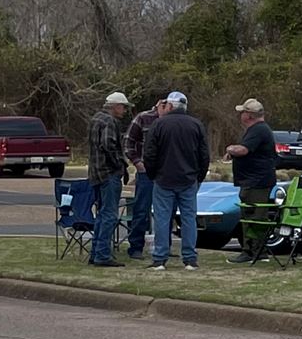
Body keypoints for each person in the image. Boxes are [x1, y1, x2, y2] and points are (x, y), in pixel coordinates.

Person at [143, 92, 209, 272]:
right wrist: (198, 177)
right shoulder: (196, 125)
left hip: (164, 179)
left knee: (162, 219)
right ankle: (189, 258)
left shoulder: (159, 124)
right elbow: (204, 155)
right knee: (189, 219)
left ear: (170, 106)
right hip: (188, 179)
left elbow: (149, 154)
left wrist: (152, 174)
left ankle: (160, 259)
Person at [224, 98, 278, 263]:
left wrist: (230, 149)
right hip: (253, 181)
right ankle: (254, 250)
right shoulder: (258, 129)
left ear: (249, 115)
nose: (241, 115)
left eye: (243, 112)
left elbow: (244, 150)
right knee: (251, 215)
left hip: (257, 182)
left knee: (254, 216)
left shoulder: (258, 129)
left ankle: (253, 251)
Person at [85, 92, 131, 267]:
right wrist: (119, 165)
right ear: (115, 106)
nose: (124, 110)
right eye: (123, 107)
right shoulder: (110, 122)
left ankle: (96, 252)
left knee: (101, 214)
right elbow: (108, 144)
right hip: (108, 173)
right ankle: (103, 254)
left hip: (95, 173)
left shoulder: (96, 118)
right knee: (110, 215)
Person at [122, 96, 166, 258]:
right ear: (160, 104)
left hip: (165, 173)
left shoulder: (171, 120)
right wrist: (137, 163)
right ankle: (136, 247)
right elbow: (128, 142)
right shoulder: (143, 118)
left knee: (165, 211)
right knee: (141, 209)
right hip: (146, 172)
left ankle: (163, 247)